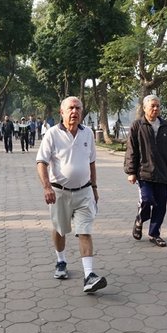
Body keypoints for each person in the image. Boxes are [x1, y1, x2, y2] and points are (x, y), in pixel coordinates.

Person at [36, 96, 107, 294]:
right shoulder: (52, 134)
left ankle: (89, 276)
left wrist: (94, 188)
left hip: (84, 192)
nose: (74, 111)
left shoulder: (88, 133)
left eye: (78, 108)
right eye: (71, 108)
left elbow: (91, 162)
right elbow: (41, 162)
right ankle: (61, 261)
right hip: (59, 192)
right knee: (60, 230)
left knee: (85, 231)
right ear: (62, 112)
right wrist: (47, 187)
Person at [124, 94, 167, 247]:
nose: (155, 108)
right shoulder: (137, 125)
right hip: (144, 172)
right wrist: (131, 172)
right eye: (152, 106)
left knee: (160, 206)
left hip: (162, 172)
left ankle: (154, 234)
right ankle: (140, 219)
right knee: (146, 200)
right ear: (145, 108)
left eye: (157, 106)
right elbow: (131, 150)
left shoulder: (166, 126)